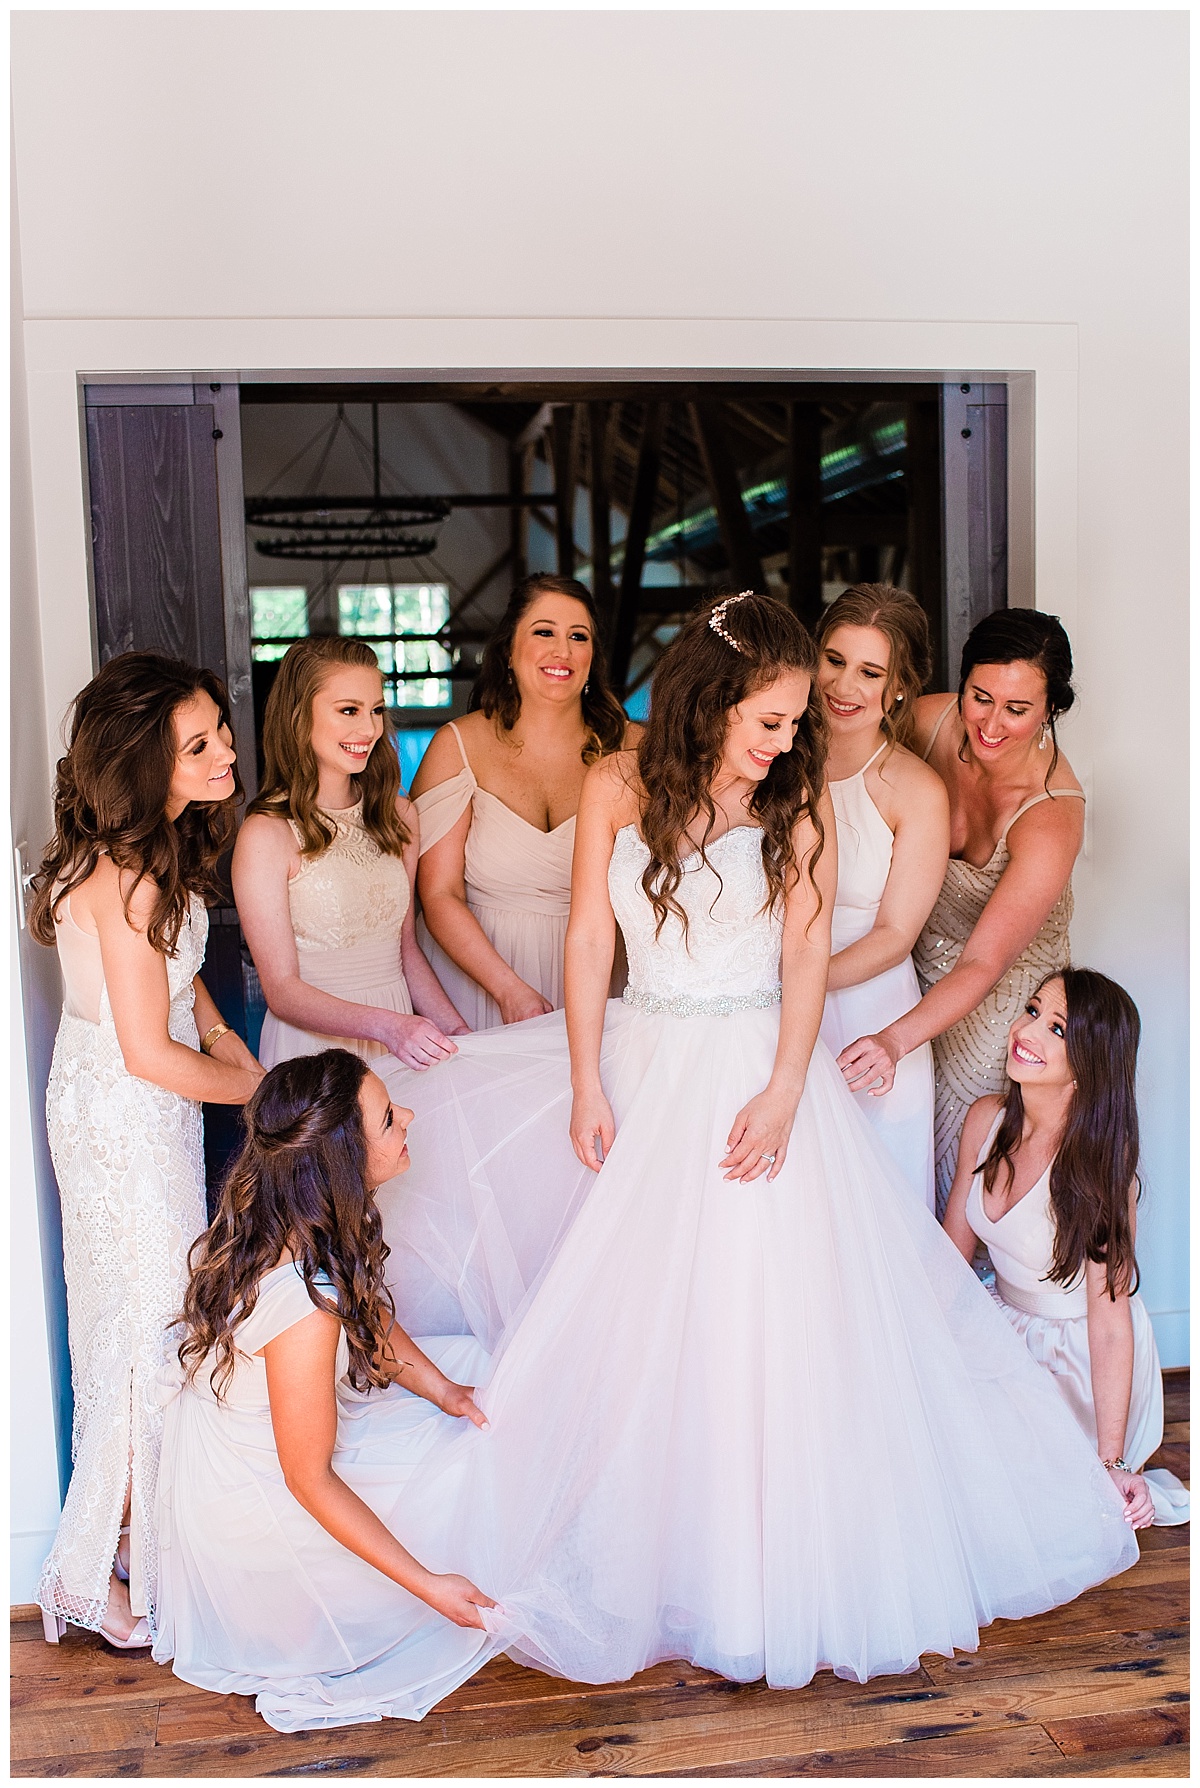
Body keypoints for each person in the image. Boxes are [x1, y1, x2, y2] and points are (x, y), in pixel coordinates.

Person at [378, 592, 1136, 1698]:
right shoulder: (616, 783)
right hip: (644, 1063)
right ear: (715, 699)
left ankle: (758, 1564)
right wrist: (585, 1078)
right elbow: (589, 936)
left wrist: (786, 1089)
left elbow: (806, 955)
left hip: (759, 1072)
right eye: (771, 720)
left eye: (794, 723)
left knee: (767, 1309)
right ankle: (650, 1540)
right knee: (643, 1302)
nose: (788, 741)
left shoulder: (798, 802)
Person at [154, 1050, 503, 1732]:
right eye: (388, 1118)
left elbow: (366, 1315)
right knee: (464, 1472)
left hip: (259, 1452)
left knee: (475, 1375)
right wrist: (428, 1587)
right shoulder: (301, 1308)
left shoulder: (289, 1220)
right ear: (342, 1162)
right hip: (263, 1508)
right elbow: (308, 1480)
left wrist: (444, 1392)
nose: (409, 1116)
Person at [30, 653, 262, 1649]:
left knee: (155, 1319)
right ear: (142, 763)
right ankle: (78, 1572)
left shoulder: (147, 855)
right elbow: (145, 1051)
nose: (225, 751)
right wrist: (259, 1089)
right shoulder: (123, 878)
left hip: (141, 1102)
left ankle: (133, 1543)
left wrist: (218, 1029)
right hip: (122, 1114)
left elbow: (176, 973)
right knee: (141, 1332)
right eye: (197, 744)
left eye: (219, 731)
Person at [836, 610, 1085, 1214]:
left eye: (1016, 710)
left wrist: (894, 1040)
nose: (990, 725)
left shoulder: (1052, 813)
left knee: (964, 1175)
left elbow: (983, 962)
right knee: (891, 1162)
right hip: (907, 970)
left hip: (1000, 1002)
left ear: (1050, 709)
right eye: (980, 697)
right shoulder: (927, 722)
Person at [943, 969, 1189, 1528]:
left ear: (1088, 1064)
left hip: (1077, 1358)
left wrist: (1112, 1461)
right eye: (1032, 1011)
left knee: (1027, 1512)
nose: (1028, 1032)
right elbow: (950, 1261)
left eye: (1057, 1029)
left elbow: (1110, 1322)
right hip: (1001, 1327)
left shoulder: (1101, 1167)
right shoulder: (985, 1119)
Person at [410, 574, 635, 1029]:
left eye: (578, 637)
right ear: (509, 651)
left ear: (593, 657)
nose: (562, 650)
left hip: (600, 984)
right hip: (479, 984)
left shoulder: (635, 750)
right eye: (544, 632)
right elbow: (438, 893)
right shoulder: (458, 746)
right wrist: (508, 990)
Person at [232, 636, 466, 1072]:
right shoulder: (267, 834)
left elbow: (405, 951)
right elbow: (281, 991)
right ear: (299, 716)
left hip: (399, 1044)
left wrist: (455, 1031)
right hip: (315, 1053)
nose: (370, 729)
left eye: (376, 710)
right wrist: (389, 1027)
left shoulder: (398, 816)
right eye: (348, 710)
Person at [815, 585, 948, 1208]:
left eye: (870, 672)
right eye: (834, 660)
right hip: (764, 998)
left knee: (872, 1207)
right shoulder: (770, 758)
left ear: (899, 687)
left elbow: (897, 934)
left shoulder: (916, 789)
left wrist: (798, 983)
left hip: (868, 1009)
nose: (844, 685)